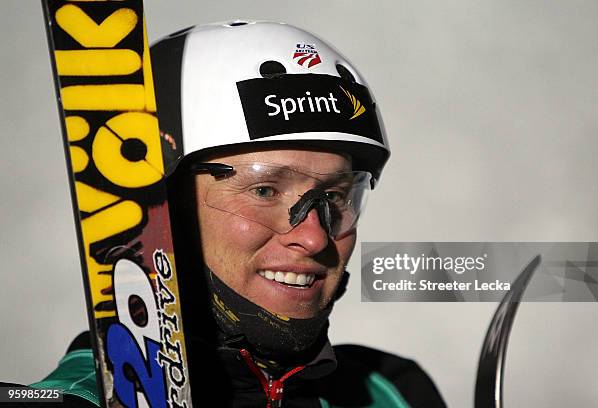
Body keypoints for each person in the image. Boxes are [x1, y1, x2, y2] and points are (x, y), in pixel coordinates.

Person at [25, 21, 446, 407]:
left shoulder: (392, 392)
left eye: (335, 197)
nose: (315, 238)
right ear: (163, 206)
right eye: (264, 190)